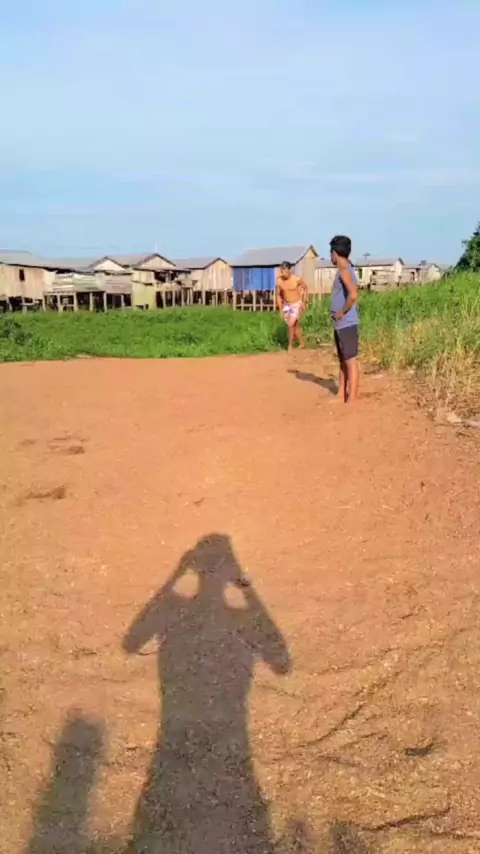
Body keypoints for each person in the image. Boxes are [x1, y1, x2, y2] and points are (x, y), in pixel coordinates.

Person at [330, 235, 360, 402]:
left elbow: (353, 295)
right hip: (341, 324)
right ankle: (341, 393)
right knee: (343, 360)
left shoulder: (345, 272)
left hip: (347, 323)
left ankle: (352, 397)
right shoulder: (346, 269)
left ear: (334, 253)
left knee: (350, 361)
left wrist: (342, 312)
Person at [276, 262, 308, 352]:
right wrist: (280, 308)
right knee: (295, 326)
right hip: (287, 305)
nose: (283, 274)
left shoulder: (296, 279)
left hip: (296, 304)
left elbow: (305, 288)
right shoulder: (279, 281)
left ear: (290, 270)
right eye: (281, 271)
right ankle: (302, 343)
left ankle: (290, 346)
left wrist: (304, 302)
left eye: (285, 271)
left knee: (290, 324)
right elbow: (278, 295)